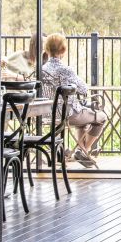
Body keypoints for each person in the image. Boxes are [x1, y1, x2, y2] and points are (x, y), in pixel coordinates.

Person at [40, 33, 108, 168]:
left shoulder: (41, 69)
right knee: (102, 117)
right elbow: (83, 89)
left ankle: (80, 152)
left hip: (47, 113)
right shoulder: (66, 70)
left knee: (83, 123)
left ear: (47, 49)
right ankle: (83, 150)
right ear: (63, 50)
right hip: (69, 114)